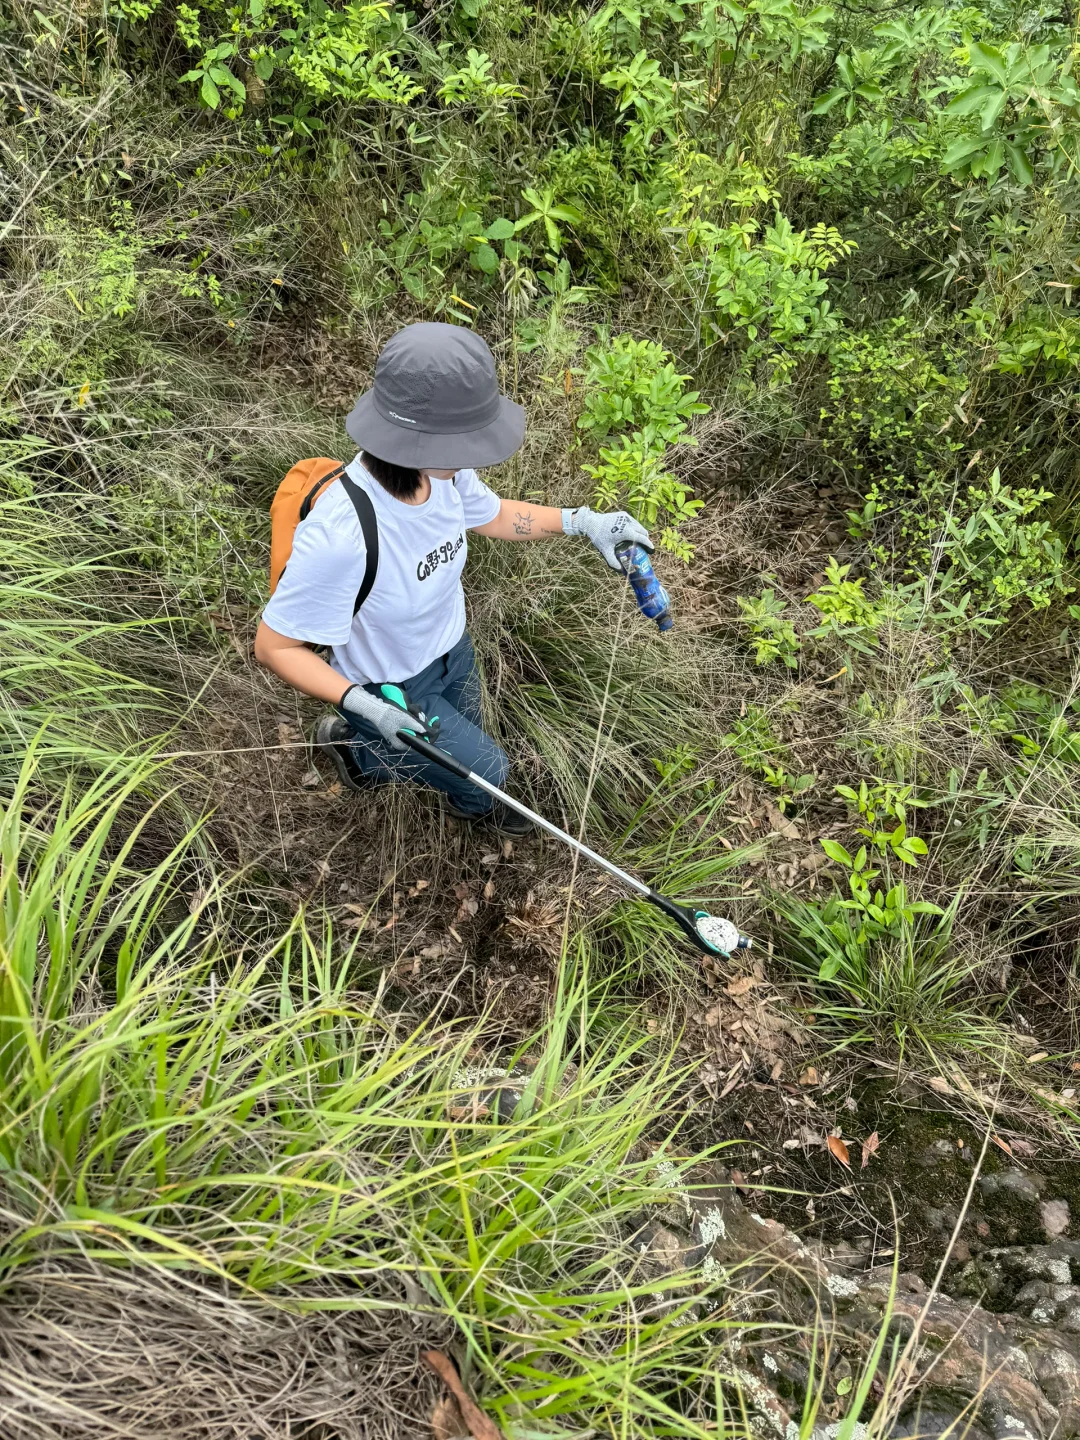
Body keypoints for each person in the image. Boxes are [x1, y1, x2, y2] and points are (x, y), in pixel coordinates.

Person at [254, 321, 653, 835]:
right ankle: (359, 755)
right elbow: (275, 647)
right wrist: (363, 706)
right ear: (417, 440)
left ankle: (423, 769)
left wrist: (582, 521)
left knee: (471, 739)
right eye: (465, 439)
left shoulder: (442, 473)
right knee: (486, 771)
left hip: (452, 648)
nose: (476, 453)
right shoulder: (340, 535)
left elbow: (492, 516)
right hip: (391, 684)